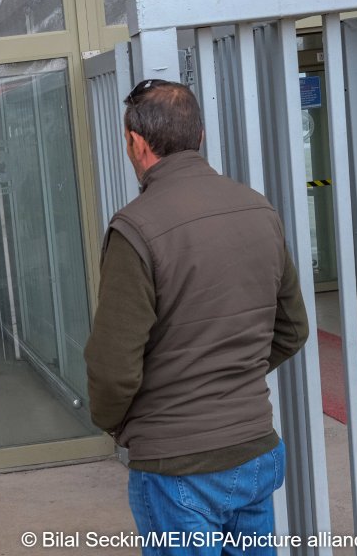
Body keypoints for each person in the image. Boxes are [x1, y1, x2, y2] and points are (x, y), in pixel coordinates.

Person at [84, 79, 309, 548]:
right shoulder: (259, 210)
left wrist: (116, 424)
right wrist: (232, 374)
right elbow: (293, 329)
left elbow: (112, 369)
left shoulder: (135, 229)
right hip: (254, 450)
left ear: (136, 143)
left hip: (177, 462)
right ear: (199, 137)